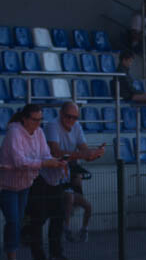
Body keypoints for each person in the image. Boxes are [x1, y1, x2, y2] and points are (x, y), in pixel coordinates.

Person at [0, 104, 67, 260]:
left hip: (26, 183)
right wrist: (45, 163)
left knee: (18, 220)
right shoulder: (14, 132)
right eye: (34, 120)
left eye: (40, 120)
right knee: (13, 221)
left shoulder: (39, 132)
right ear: (25, 119)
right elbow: (19, 161)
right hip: (7, 184)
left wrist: (57, 162)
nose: (37, 123)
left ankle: (13, 259)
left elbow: (45, 155)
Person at [45, 102, 106, 246]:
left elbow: (84, 152)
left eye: (75, 118)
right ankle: (56, 243)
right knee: (51, 214)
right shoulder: (52, 126)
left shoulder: (76, 127)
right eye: (68, 117)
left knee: (71, 202)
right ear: (61, 114)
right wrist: (84, 155)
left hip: (66, 174)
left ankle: (60, 243)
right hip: (50, 176)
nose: (71, 121)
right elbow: (56, 152)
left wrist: (95, 154)